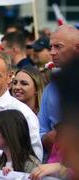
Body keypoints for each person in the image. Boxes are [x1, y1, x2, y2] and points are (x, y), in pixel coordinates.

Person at [39, 25, 79, 156]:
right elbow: (41, 130)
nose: (52, 52)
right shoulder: (50, 88)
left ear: (77, 48)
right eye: (51, 47)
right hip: (55, 166)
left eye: (58, 46)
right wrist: (47, 139)